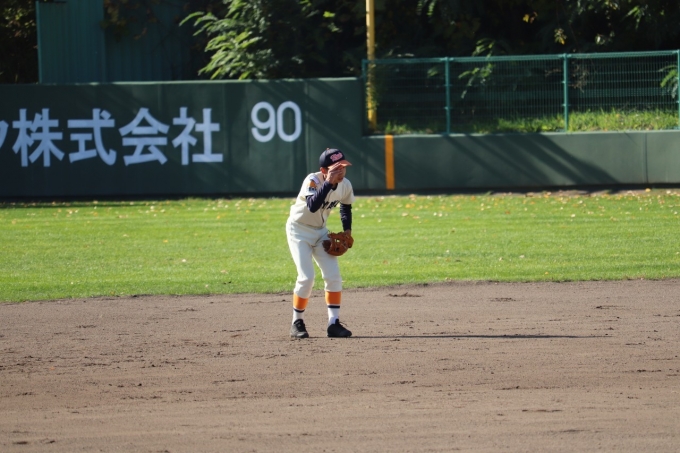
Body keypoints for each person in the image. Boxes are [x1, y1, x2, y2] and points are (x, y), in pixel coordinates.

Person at [286, 148, 355, 339]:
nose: (341, 172)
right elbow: (312, 206)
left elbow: (346, 207)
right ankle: (297, 322)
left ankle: (333, 324)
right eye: (335, 169)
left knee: (333, 276)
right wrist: (328, 183)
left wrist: (347, 230)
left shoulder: (345, 184)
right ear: (324, 170)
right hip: (298, 231)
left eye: (343, 167)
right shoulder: (313, 180)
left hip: (321, 232)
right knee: (307, 277)